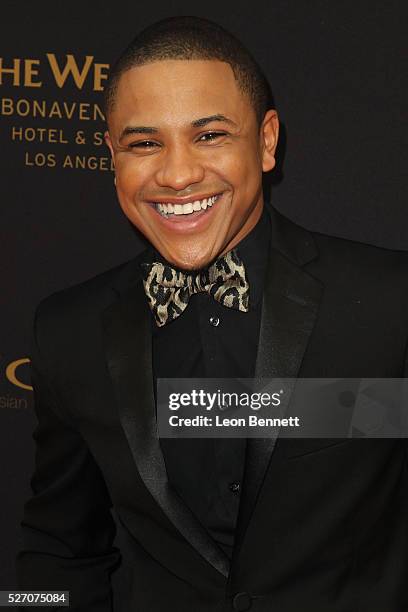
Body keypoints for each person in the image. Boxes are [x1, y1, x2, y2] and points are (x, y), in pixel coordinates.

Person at [17, 15, 408, 612]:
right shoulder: (67, 331)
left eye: (209, 135)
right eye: (145, 143)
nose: (177, 174)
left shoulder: (389, 303)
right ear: (113, 157)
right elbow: (58, 551)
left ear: (268, 140)